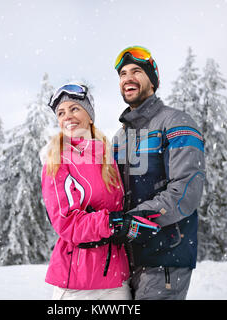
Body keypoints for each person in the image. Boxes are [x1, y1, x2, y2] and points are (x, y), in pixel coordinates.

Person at [41, 83, 161, 300]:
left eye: (74, 108)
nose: (67, 116)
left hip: (116, 280)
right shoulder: (58, 161)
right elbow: (66, 223)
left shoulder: (107, 156)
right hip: (77, 283)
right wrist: (113, 223)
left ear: (90, 115)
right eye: (61, 112)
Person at [112, 46, 206, 300]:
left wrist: (134, 219)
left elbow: (187, 190)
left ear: (152, 82)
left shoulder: (177, 123)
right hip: (124, 260)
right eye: (122, 74)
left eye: (137, 71)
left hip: (165, 256)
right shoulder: (119, 138)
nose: (128, 78)